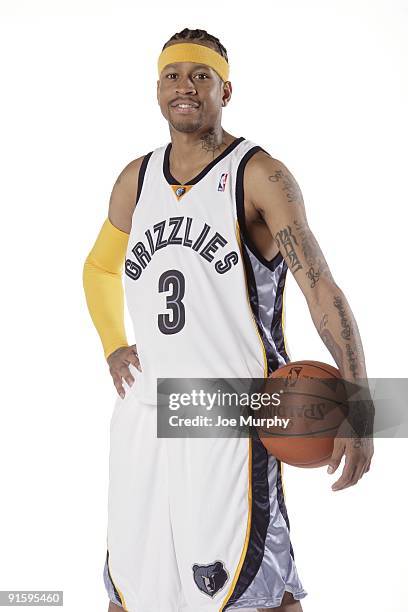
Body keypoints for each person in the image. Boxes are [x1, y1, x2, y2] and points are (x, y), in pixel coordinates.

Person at [83, 27, 374, 612]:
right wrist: (115, 343)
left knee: (250, 595)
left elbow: (320, 286)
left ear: (226, 90)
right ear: (156, 88)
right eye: (172, 75)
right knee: (131, 594)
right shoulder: (135, 180)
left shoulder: (258, 175)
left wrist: (362, 398)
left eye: (200, 76)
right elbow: (98, 269)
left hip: (230, 412)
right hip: (145, 413)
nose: (184, 87)